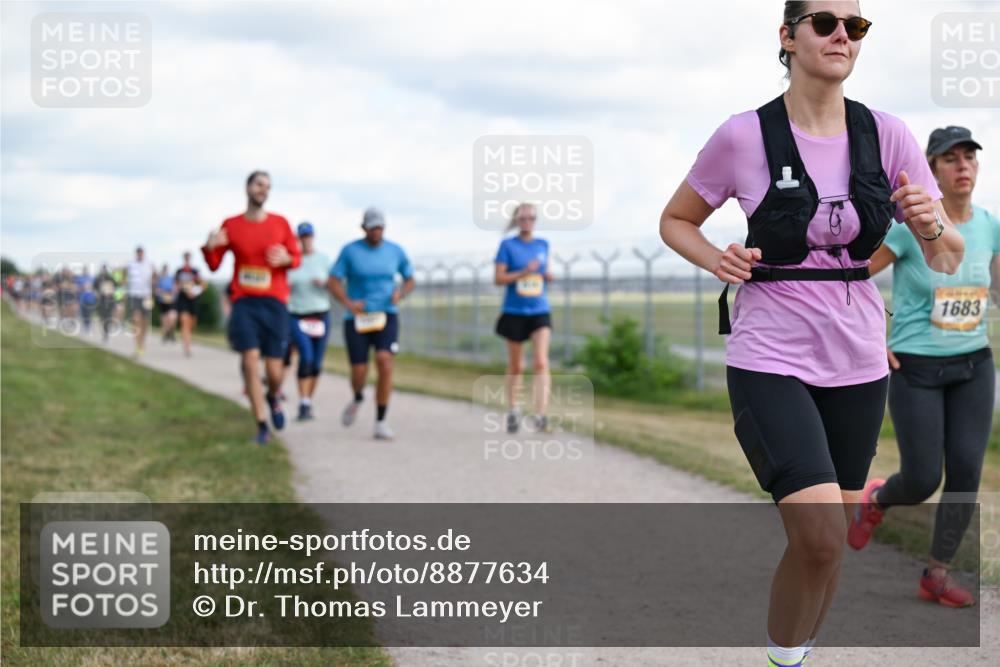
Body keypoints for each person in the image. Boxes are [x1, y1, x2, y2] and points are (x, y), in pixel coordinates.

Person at [657, 3, 965, 665]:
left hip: (857, 361)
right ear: (787, 37)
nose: (841, 36)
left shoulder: (888, 135)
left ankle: (791, 654)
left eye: (855, 26)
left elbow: (946, 257)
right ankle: (784, 657)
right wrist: (717, 258)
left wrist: (929, 223)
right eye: (825, 21)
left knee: (824, 548)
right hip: (769, 354)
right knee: (823, 537)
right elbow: (676, 219)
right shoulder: (743, 136)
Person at [849, 126, 995, 608]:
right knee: (921, 478)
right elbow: (850, 277)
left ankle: (937, 573)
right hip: (915, 368)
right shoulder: (907, 228)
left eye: (969, 157)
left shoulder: (990, 227)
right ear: (932, 170)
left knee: (967, 471)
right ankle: (877, 500)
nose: (963, 167)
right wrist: (873, 337)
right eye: (950, 159)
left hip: (974, 364)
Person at [202, 170, 301, 445]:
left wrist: (287, 258)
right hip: (244, 301)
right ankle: (261, 426)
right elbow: (213, 263)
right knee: (249, 360)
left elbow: (295, 258)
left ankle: (274, 396)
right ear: (247, 188)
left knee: (274, 369)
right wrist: (208, 246)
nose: (263, 190)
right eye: (259, 184)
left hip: (275, 302)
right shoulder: (231, 225)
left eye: (268, 186)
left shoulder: (281, 224)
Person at [329, 207, 415, 440]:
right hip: (357, 318)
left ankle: (380, 420)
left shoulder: (395, 251)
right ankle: (358, 396)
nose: (376, 231)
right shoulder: (350, 251)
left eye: (380, 227)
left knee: (385, 362)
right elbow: (333, 281)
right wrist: (348, 302)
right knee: (359, 371)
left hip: (386, 314)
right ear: (363, 228)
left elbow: (410, 278)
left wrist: (401, 293)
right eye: (372, 227)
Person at [493, 202, 554, 433]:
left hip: (539, 309)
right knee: (517, 365)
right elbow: (498, 278)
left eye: (531, 218)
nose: (527, 221)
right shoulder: (507, 245)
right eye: (523, 218)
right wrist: (523, 273)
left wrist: (547, 276)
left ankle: (541, 415)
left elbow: (543, 271)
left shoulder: (543, 245)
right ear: (517, 221)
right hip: (514, 311)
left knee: (541, 362)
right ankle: (513, 410)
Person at [286, 221, 333, 421]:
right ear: (298, 238)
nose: (306, 240)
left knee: (316, 363)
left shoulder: (324, 260)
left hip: (321, 315)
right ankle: (304, 402)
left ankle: (307, 401)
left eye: (309, 236)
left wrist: (325, 284)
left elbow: (336, 284)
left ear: (313, 237)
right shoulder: (292, 261)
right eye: (302, 237)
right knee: (305, 358)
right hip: (298, 315)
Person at [125, 246, 156, 356]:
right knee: (136, 319)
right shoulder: (130, 265)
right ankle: (138, 346)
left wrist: (153, 282)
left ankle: (142, 343)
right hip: (135, 295)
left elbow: (155, 278)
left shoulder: (150, 264)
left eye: (141, 253)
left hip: (147, 296)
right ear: (136, 254)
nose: (140, 255)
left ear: (144, 254)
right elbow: (123, 277)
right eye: (138, 253)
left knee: (145, 321)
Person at [174, 251, 205, 357]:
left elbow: (203, 285)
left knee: (192, 324)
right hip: (182, 299)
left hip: (192, 299)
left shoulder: (194, 271)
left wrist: (195, 292)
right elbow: (176, 285)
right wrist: (179, 288)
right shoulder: (179, 271)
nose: (187, 259)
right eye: (185, 257)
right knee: (184, 322)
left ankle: (188, 339)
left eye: (188, 257)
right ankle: (187, 346)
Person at [155, 263, 178, 343]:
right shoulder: (160, 279)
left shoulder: (171, 278)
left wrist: (172, 292)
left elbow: (175, 288)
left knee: (172, 317)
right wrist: (163, 292)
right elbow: (157, 290)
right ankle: (166, 334)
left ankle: (170, 331)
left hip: (171, 301)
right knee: (164, 319)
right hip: (163, 301)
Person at [94, 264, 117, 342]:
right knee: (102, 317)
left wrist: (111, 291)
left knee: (108, 316)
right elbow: (94, 288)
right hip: (101, 301)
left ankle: (106, 334)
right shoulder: (98, 279)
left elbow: (115, 287)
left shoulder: (111, 278)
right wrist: (97, 293)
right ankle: (104, 330)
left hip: (110, 300)